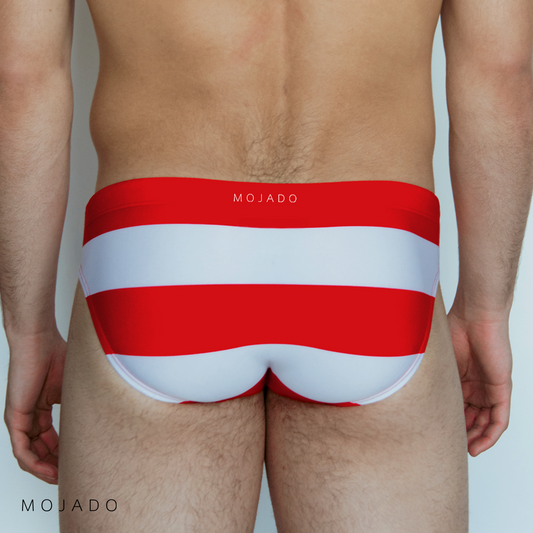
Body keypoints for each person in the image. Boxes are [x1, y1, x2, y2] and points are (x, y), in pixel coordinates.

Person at [1, 0, 532, 531]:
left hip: (165, 248)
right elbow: (504, 72)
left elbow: (20, 78)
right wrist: (486, 312)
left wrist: (28, 330)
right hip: (370, 251)